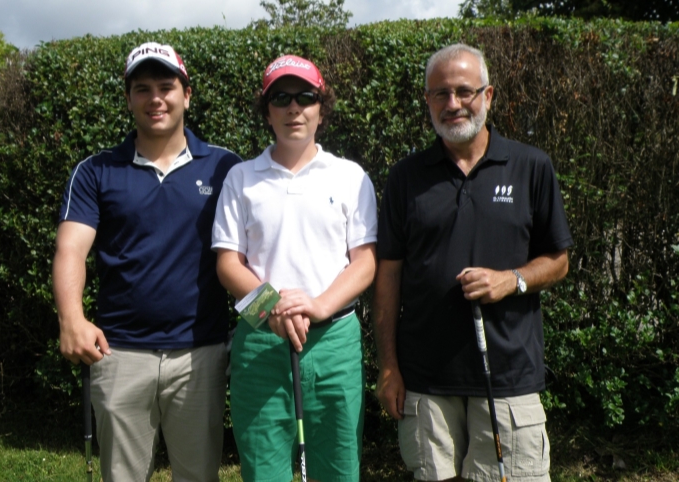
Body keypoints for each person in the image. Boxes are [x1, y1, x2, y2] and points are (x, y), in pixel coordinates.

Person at [373, 43, 573, 482]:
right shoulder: (406, 177)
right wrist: (388, 366)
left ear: (489, 95)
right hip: (425, 381)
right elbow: (387, 275)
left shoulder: (530, 166)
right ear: (427, 101)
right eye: (440, 94)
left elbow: (558, 260)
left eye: (465, 91)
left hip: (507, 379)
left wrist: (513, 280)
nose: (453, 104)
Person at [52, 42, 241, 482]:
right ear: (129, 98)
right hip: (119, 355)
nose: (155, 98)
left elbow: (248, 254)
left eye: (165, 86)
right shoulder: (96, 171)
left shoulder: (225, 167)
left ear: (187, 94)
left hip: (201, 354)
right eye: (142, 88)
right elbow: (70, 250)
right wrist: (71, 318)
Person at [212, 55, 377, 482]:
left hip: (334, 341)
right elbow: (228, 263)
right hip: (260, 341)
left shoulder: (350, 176)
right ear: (266, 110)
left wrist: (319, 306)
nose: (293, 108)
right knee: (263, 469)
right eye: (280, 98)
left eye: (306, 97)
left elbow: (365, 263)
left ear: (322, 108)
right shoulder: (241, 178)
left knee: (338, 468)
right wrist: (273, 309)